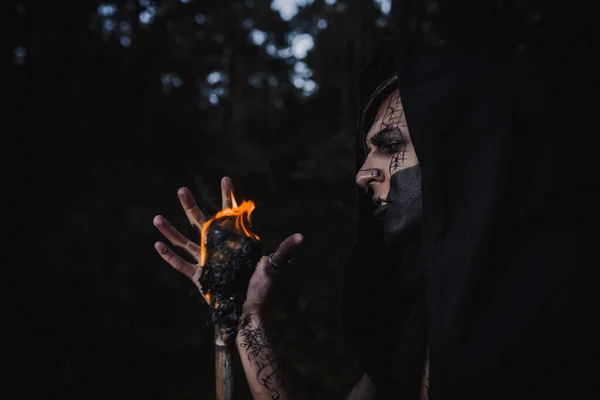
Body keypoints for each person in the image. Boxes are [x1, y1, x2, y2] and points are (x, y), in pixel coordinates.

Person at [153, 36, 596, 400]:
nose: (364, 173)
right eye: (367, 150)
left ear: (462, 147)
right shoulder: (419, 318)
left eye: (387, 143)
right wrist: (246, 315)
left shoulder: (569, 297)